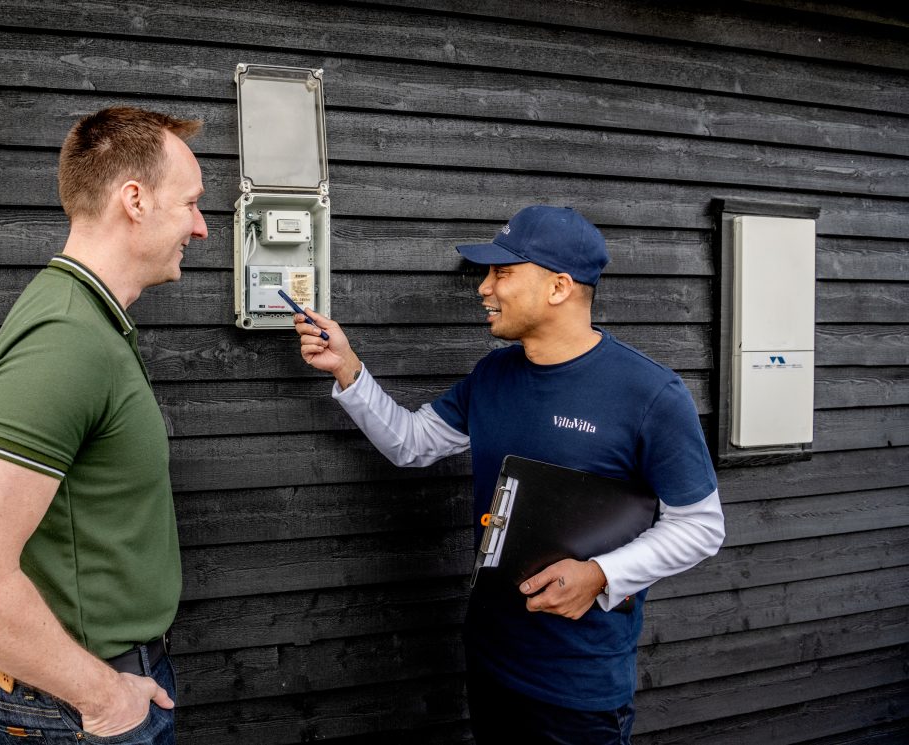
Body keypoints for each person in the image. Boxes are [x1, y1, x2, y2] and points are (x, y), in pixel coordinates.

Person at [289, 205, 725, 744]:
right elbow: (412, 443)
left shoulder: (650, 394)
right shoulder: (493, 374)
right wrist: (347, 369)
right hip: (492, 661)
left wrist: (601, 575)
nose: (484, 288)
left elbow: (701, 527)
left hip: (578, 684)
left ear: (559, 288)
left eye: (502, 272)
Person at [0, 106, 208, 744]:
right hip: (79, 713)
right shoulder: (64, 337)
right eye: (190, 203)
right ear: (133, 199)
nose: (202, 227)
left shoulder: (89, 320)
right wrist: (106, 698)